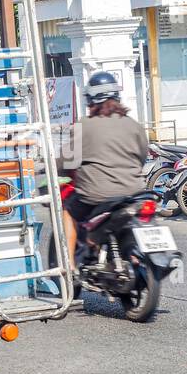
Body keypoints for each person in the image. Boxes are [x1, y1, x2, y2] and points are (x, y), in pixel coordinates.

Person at [61, 71, 149, 259]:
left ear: (91, 99)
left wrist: (49, 167)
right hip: (135, 192)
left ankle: (68, 268)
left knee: (68, 212)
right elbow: (142, 156)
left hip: (97, 195)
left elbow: (67, 161)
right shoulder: (133, 124)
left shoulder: (83, 125)